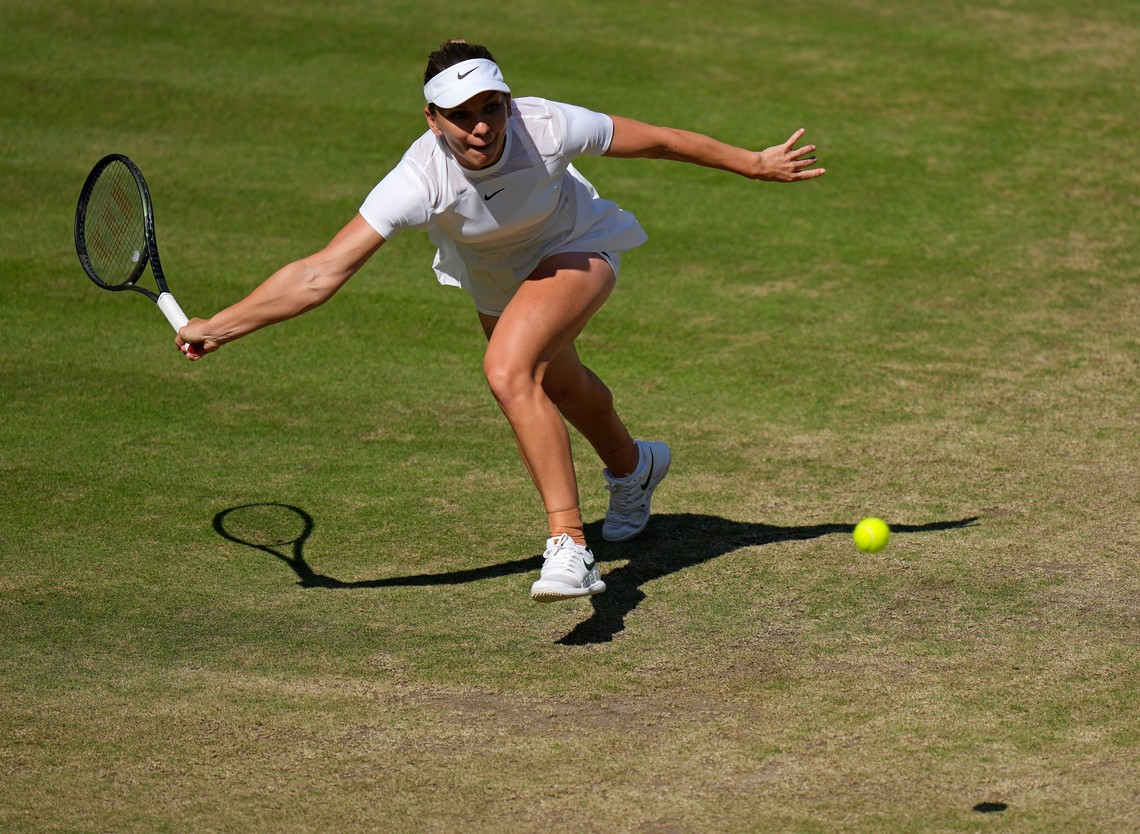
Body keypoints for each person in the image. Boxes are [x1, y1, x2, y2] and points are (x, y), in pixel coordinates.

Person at [176, 39, 824, 603]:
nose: (482, 127)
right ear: (432, 120)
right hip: (494, 281)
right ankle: (634, 468)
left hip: (578, 247)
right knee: (559, 386)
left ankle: (569, 545)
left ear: (507, 102)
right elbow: (322, 272)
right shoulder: (415, 181)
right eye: (461, 116)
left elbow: (657, 141)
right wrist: (222, 325)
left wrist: (752, 162)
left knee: (508, 370)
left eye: (492, 107)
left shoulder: (547, 125)